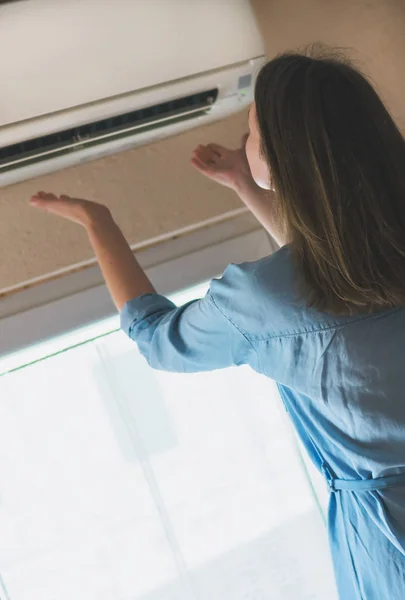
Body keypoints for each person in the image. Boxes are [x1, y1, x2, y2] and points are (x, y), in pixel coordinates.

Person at [30, 47, 405, 599]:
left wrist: (98, 223)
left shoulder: (262, 297)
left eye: (250, 134)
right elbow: (329, 291)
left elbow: (158, 339)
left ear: (284, 158)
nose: (243, 143)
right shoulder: (378, 254)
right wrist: (243, 181)